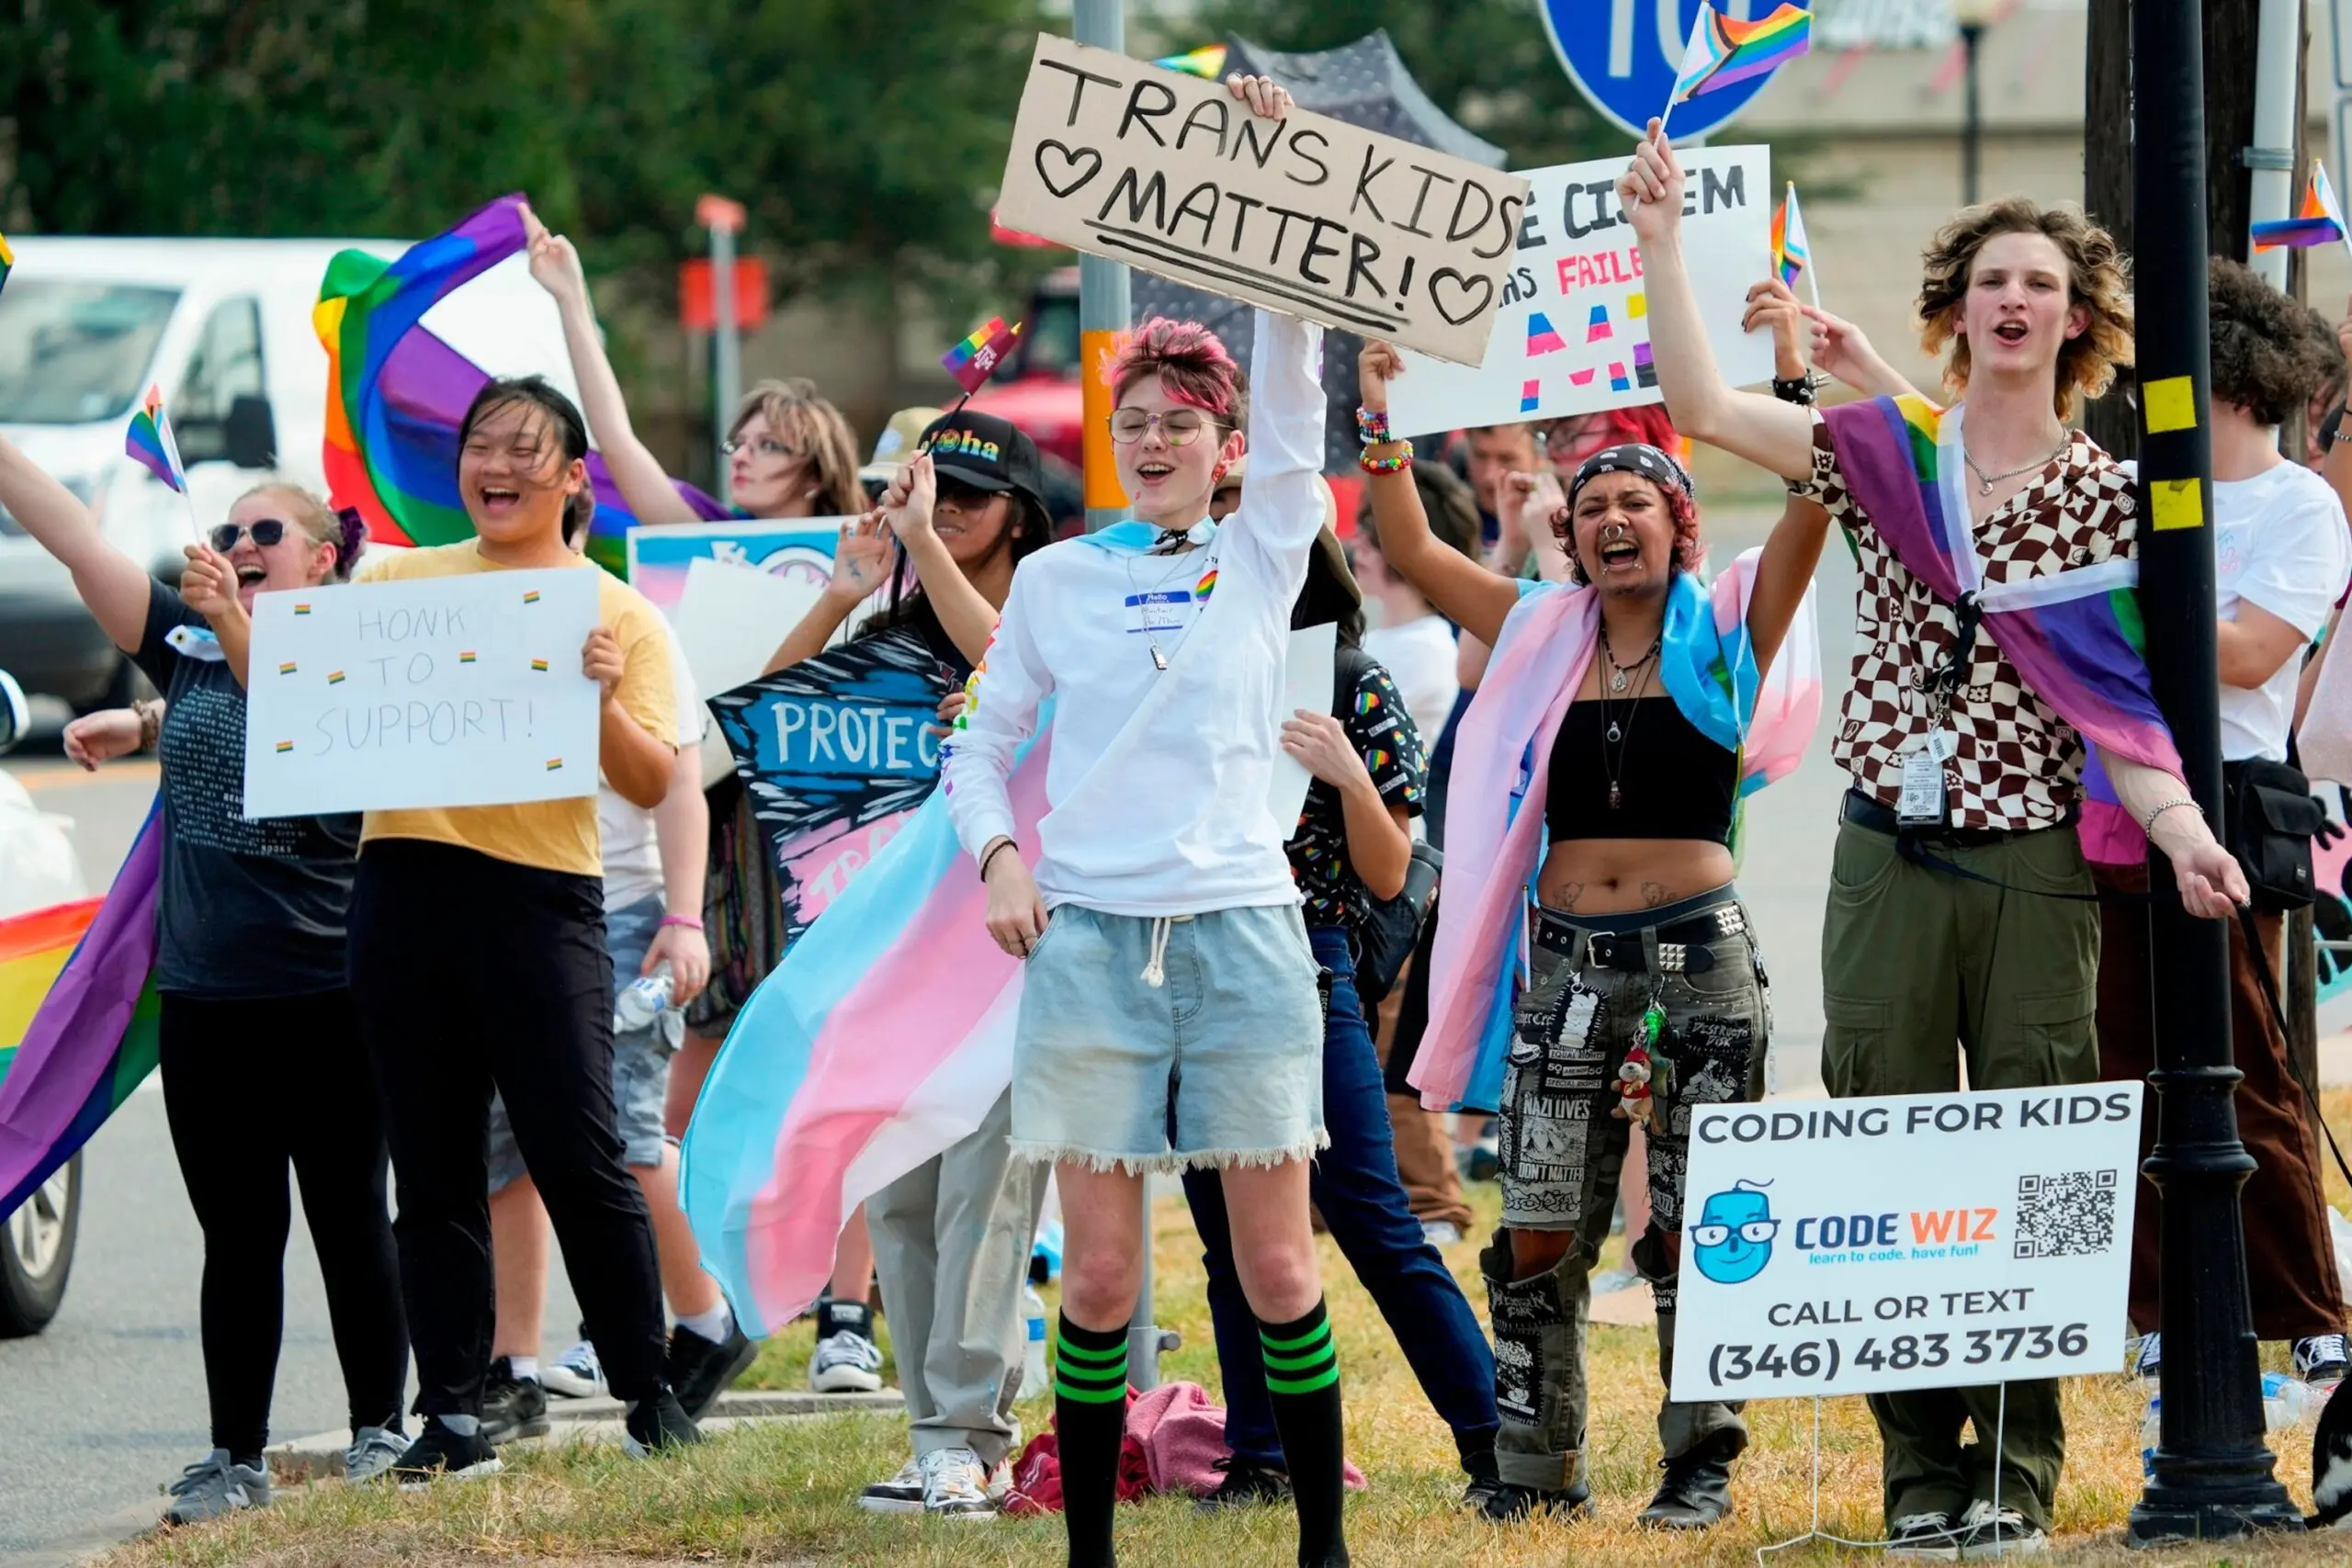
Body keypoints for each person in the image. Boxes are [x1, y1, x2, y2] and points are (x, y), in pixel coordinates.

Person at [1622, 122, 2251, 1557]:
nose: (2013, 300)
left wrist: (2187, 836)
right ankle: (1918, 1473)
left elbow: (2123, 711)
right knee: (1887, 1147)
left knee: (2029, 1156)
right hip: (1883, 853)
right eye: (1989, 280)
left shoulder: (2105, 497)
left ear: (2075, 319)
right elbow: (1704, 404)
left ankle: (2016, 1477)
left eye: (2039, 281)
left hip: (2034, 862)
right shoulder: (1882, 451)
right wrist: (1661, 242)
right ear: (1958, 311)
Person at [940, 73, 1349, 1568]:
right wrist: (997, 857)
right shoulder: (1054, 583)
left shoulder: (1261, 550)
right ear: (1114, 443)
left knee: (1279, 1262)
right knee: (1102, 1278)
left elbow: (1298, 387)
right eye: (1138, 422)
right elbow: (976, 753)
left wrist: (1279, 201)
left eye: (1186, 420)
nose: (1160, 438)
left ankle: (1321, 1544)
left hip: (1244, 930)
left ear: (1226, 446)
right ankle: (1094, 1552)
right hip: (1090, 945)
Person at [1364, 274, 1826, 1526]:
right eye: (1594, 507)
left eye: (1639, 501)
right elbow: (1408, 548)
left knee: (1698, 1219)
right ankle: (1534, 1465)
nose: (1615, 519)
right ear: (1571, 534)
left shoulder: (1730, 627)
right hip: (1565, 965)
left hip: (1699, 961)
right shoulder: (1533, 629)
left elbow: (1812, 493)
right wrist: (1382, 423)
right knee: (1539, 1222)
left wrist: (1786, 374)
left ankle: (1701, 1460)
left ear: (1679, 524)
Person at [0, 446, 409, 1519]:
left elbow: (301, 736)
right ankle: (237, 1457)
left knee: (349, 1219)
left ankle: (381, 1429)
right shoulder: (184, 658)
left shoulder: (355, 667)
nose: (235, 548)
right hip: (209, 1001)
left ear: (322, 560)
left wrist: (229, 629)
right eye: (226, 533)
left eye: (262, 534)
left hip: (328, 996)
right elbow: (74, 538)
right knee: (238, 1237)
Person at [520, 208, 885, 1393]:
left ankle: (845, 1313)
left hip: (831, 847)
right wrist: (571, 302)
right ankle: (653, 1310)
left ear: (817, 464)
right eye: (735, 441)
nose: (739, 460)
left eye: (765, 446)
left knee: (837, 1081)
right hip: (717, 839)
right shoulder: (697, 540)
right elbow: (613, 434)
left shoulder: (876, 562)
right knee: (658, 1096)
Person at [347, 375, 699, 1480]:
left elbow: (653, 781)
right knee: (432, 1161)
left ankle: (650, 1391)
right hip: (402, 887)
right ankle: (448, 1410)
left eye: (521, 450)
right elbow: (319, 708)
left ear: (570, 477)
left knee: (577, 1148)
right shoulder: (397, 580)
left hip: (540, 899)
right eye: (478, 447)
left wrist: (593, 701)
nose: (494, 468)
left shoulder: (615, 610)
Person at [766, 410, 1054, 1519]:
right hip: (882, 955)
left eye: (964, 499)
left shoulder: (1049, 601)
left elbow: (1014, 673)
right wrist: (846, 585)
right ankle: (941, 1434)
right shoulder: (884, 614)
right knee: (902, 1195)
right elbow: (773, 716)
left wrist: (924, 548)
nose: (935, 514)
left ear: (1017, 516)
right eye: (917, 493)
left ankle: (968, 1431)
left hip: (999, 952)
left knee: (986, 1193)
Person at [1182, 524, 1503, 1515]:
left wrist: (1345, 770)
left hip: (1299, 962)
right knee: (1228, 1236)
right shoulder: (1175, 678)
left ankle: (1497, 1442)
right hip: (1186, 965)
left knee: (1370, 1215)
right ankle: (1260, 1454)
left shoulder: (1351, 680)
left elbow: (1389, 870)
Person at [2098, 261, 2351, 1386]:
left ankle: (2307, 1310)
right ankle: (2155, 1313)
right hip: (2116, 799)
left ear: (2234, 369)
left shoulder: (2302, 503)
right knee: (2127, 1061)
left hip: (2236, 796)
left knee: (2250, 1065)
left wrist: (2115, 628)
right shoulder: (2130, 486)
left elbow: (2249, 656)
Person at [476, 502, 741, 1441]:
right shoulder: (461, 616)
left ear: (571, 519)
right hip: (503, 908)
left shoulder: (625, 618)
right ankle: (511, 1368)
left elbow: (677, 778)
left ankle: (707, 1319)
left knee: (618, 1139)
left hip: (613, 908)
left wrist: (679, 916)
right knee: (503, 1142)